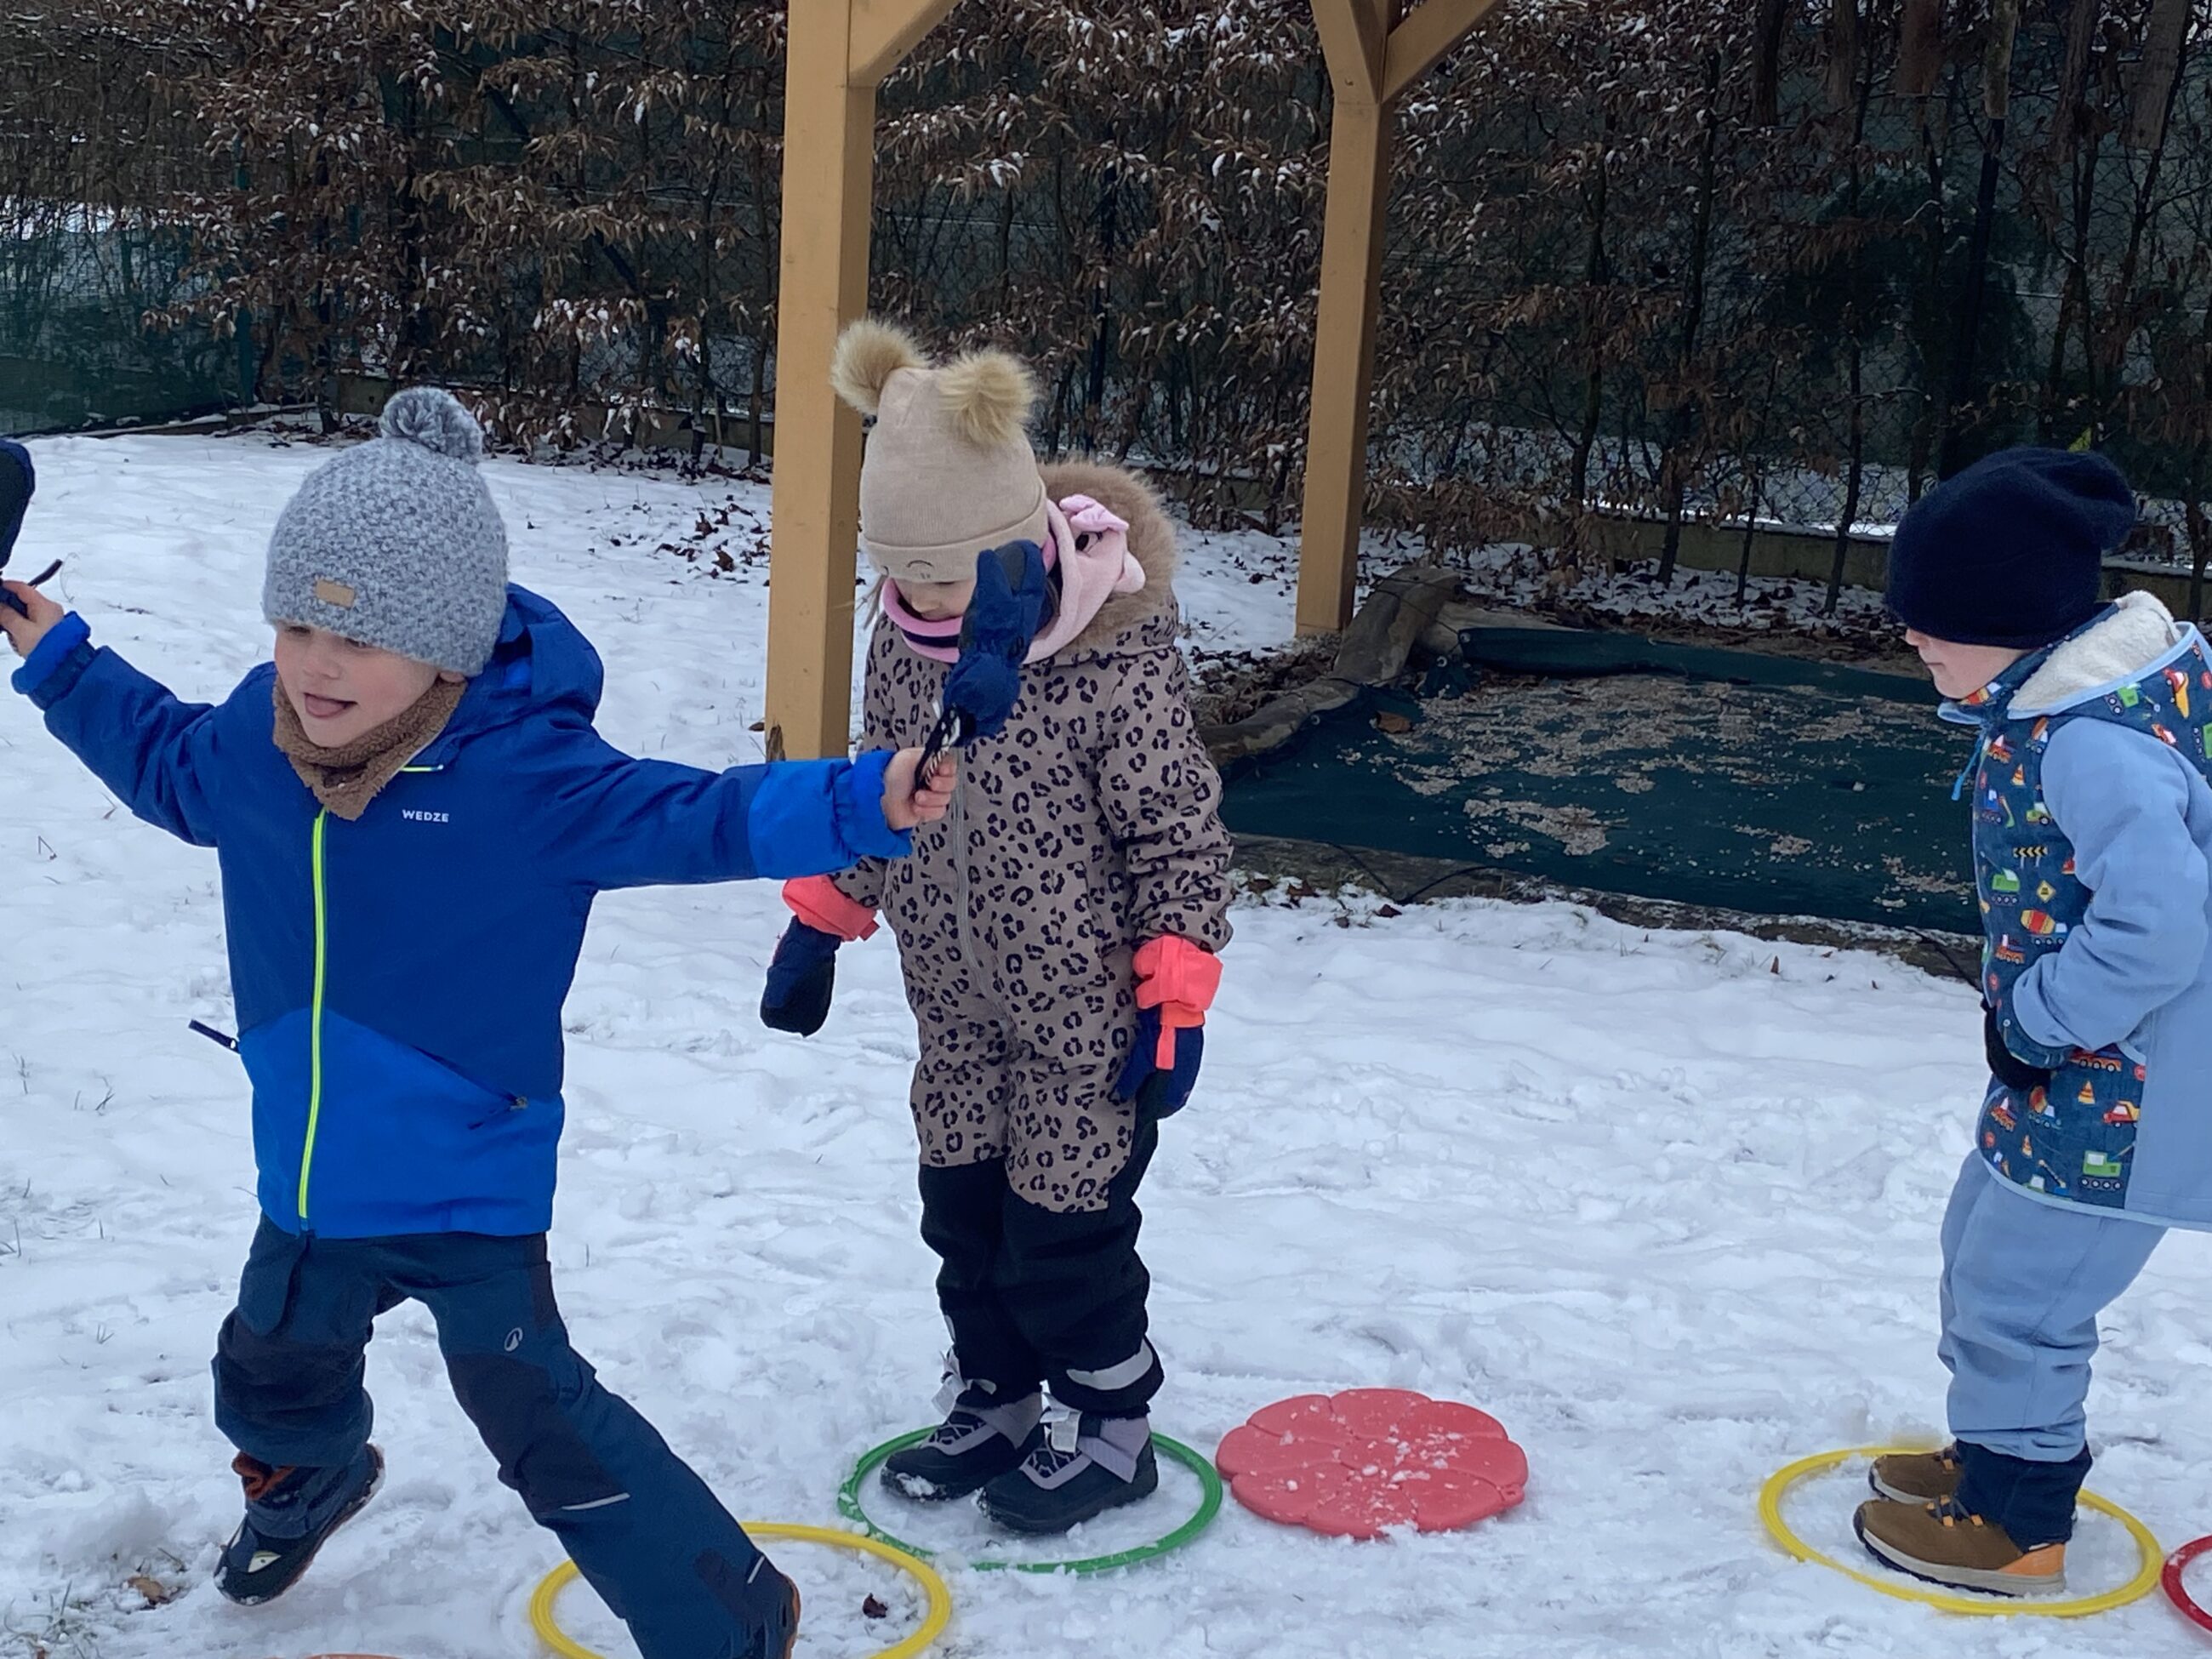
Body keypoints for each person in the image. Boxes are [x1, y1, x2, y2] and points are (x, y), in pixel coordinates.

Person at [0, 389, 951, 1659]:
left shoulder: (525, 779)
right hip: (311, 1182)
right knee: (267, 1367)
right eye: (296, 624)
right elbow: (163, 760)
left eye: (359, 635)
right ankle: (313, 1477)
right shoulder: (256, 744)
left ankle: (731, 1614)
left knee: (538, 1418)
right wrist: (62, 659)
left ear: (445, 647)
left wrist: (867, 798)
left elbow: (707, 815)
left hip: (467, 1187)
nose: (315, 664)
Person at [760, 320, 1234, 1534]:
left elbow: (1178, 835)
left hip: (1088, 1020)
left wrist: (1175, 995)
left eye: (951, 577)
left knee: (1062, 1232)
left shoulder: (1110, 660)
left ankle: (1114, 1425)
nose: (927, 602)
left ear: (1018, 542)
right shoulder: (904, 641)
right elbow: (885, 788)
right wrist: (824, 914)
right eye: (904, 578)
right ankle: (999, 1395)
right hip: (955, 1008)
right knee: (963, 1213)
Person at [1856, 446, 2212, 1596]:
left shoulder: (2096, 744)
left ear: (2014, 622)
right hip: (2074, 1071)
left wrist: (2042, 1016)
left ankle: (2018, 1526)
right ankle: (1993, 1441)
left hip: (2130, 1092)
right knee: (1980, 1247)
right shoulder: (2067, 697)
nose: (1915, 638)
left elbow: (2159, 929)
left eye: (1936, 625)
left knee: (2023, 1299)